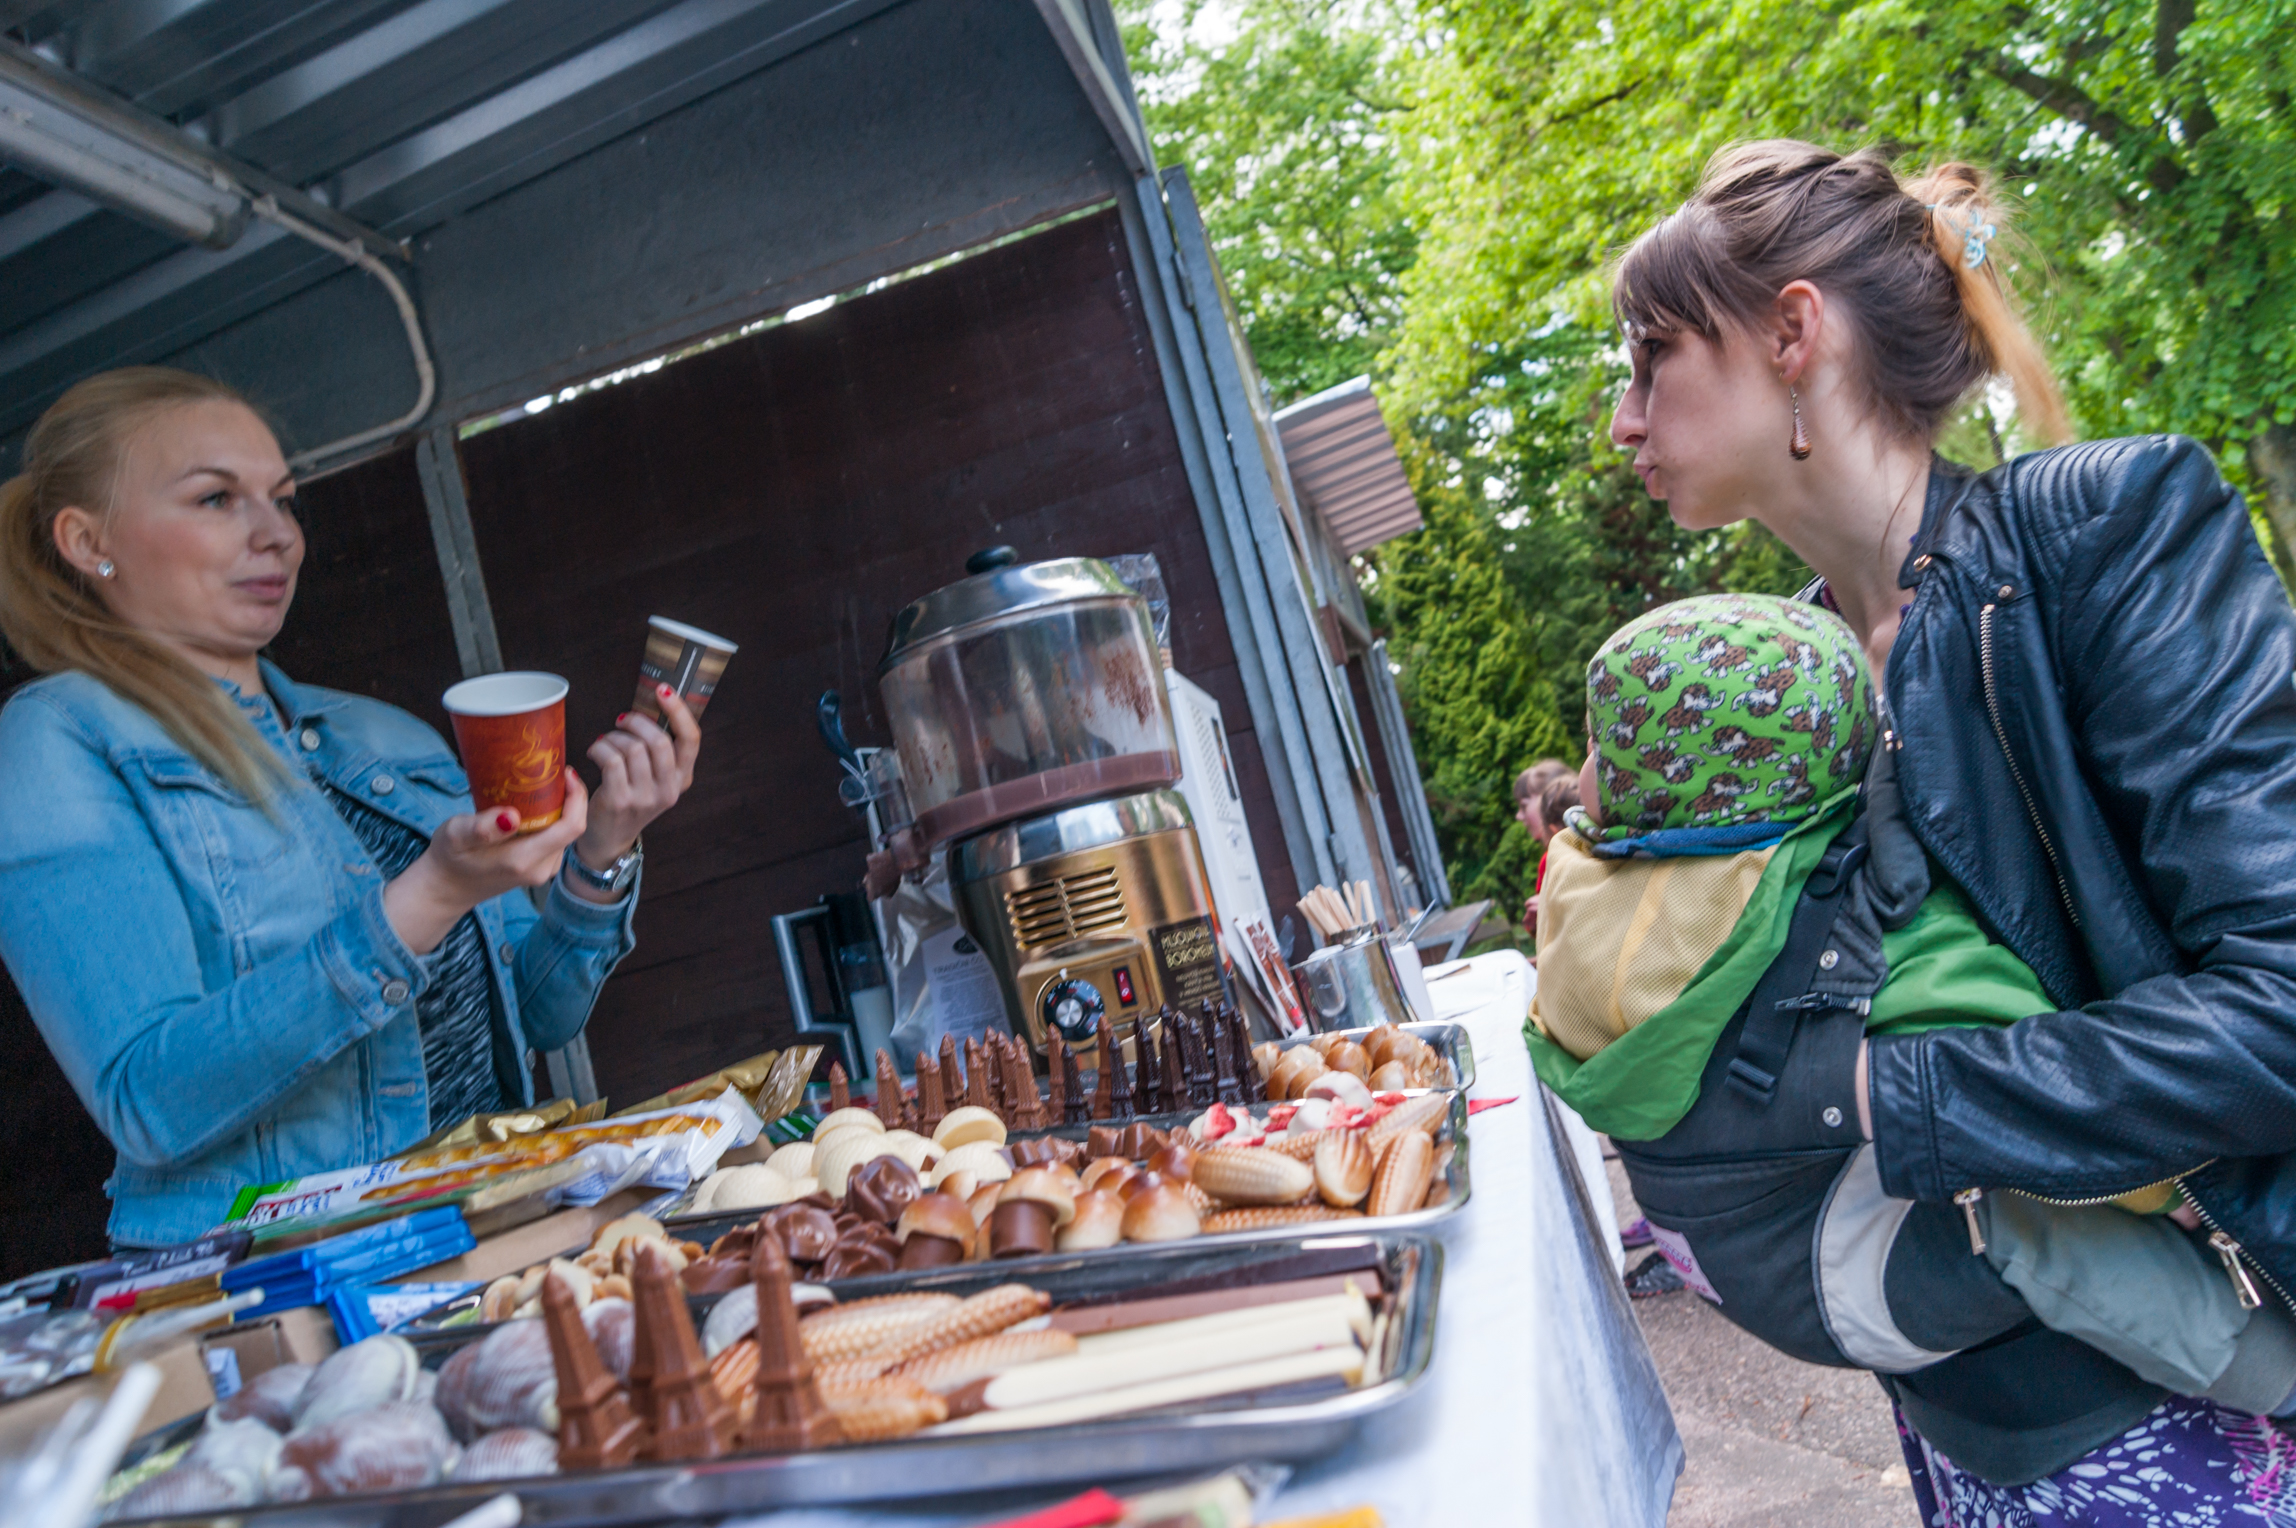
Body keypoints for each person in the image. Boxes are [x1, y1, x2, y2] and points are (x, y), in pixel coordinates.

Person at [1607, 140, 2296, 1515]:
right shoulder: (1784, 687)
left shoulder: (2107, 532)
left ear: (1791, 334)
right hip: (1967, 1422)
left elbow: (2277, 1011)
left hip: (2200, 1399)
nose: (1624, 421)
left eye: (1651, 358)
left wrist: (1867, 1093)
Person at [1527, 590, 2296, 1415]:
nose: (1584, 773)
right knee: (2037, 1221)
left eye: (1599, 746)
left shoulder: (1588, 892)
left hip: (1723, 1241)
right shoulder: (1863, 933)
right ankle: (2266, 1373)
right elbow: (2037, 1074)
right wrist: (2164, 1189)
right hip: (1833, 1275)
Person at [0, 368, 704, 1249]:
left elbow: (538, 1015)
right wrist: (430, 895)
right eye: (217, 499)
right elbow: (150, 1101)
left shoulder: (381, 733)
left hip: (489, 1233)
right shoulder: (57, 740)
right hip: (285, 1277)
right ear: (86, 540)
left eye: (283, 500)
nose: (277, 535)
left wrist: (603, 847)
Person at [1514, 757, 1572, 934]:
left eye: (1524, 806)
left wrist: (1548, 907)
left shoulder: (1552, 860)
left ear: (1546, 801)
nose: (1519, 816)